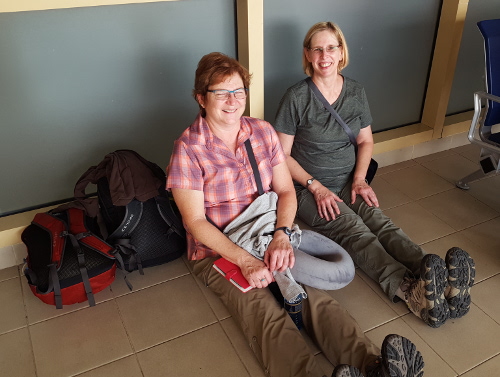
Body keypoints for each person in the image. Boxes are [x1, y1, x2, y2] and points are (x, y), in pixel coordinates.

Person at [166, 51, 425, 377]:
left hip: (267, 229)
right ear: (201, 98)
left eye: (239, 92)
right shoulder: (188, 149)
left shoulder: (261, 132)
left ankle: (373, 368)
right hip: (219, 248)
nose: (233, 101)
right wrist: (245, 261)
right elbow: (195, 222)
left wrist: (282, 235)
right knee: (264, 312)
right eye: (222, 93)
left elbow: (287, 192)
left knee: (313, 299)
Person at [273, 21, 476, 330]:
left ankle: (433, 275)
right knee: (354, 229)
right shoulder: (296, 97)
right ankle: (409, 292)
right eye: (317, 49)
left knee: (381, 222)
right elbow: (280, 156)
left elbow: (366, 140)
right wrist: (316, 187)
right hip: (307, 188)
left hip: (348, 179)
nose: (324, 55)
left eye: (331, 48)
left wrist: (359, 179)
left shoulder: (355, 91)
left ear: (341, 52)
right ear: (307, 54)